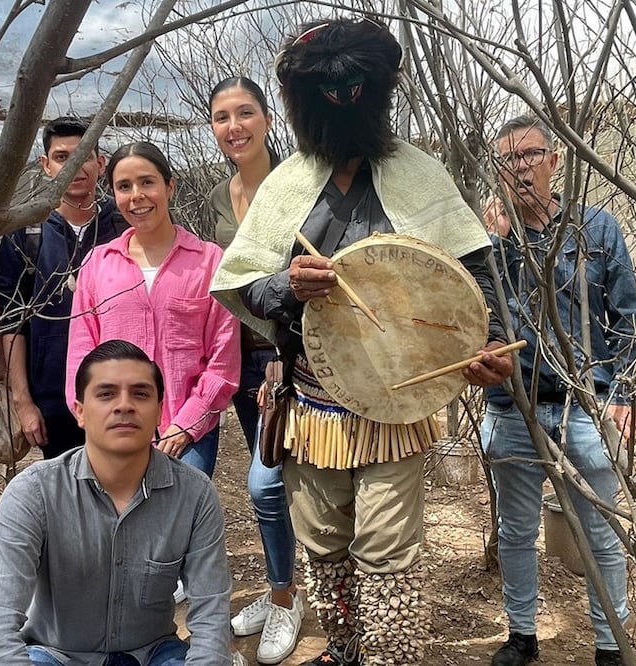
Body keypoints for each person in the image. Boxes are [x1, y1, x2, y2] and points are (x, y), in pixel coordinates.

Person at [210, 18, 514, 666]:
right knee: (323, 540)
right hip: (312, 403)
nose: (343, 100)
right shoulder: (288, 185)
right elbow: (244, 284)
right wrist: (289, 285)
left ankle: (390, 656)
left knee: (387, 547)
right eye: (330, 91)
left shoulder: (419, 173)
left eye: (355, 88)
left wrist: (488, 341)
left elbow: (474, 271)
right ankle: (346, 649)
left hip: (397, 403)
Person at [481, 114, 636, 666]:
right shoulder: (489, 243)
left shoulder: (596, 230)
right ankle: (522, 636)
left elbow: (627, 318)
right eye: (508, 159)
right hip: (514, 409)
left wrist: (623, 393)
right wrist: (497, 247)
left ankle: (610, 646)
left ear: (554, 161)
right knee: (516, 531)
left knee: (601, 531)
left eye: (530, 155)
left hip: (586, 406)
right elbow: (478, 320)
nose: (520, 168)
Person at [0, 340, 232, 665]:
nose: (124, 406)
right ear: (79, 411)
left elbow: (211, 618)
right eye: (106, 394)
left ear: (159, 410)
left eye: (140, 394)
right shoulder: (34, 493)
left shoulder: (194, 495)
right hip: (56, 655)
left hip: (151, 654)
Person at [65, 142, 239, 478]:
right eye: (124, 186)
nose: (137, 196)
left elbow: (222, 361)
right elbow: (80, 354)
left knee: (177, 511)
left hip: (185, 433)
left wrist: (187, 425)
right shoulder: (98, 265)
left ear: (170, 186)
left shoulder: (209, 262)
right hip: (114, 425)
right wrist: (91, 414)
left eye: (147, 182)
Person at [207, 76, 303, 665]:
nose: (234, 126)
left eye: (245, 112)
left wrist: (280, 356)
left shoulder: (298, 184)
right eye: (222, 117)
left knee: (267, 484)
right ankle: (281, 588)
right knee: (272, 483)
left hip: (289, 356)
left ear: (268, 119)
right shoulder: (220, 196)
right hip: (239, 356)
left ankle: (290, 599)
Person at [0, 116, 127, 459]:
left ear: (100, 163)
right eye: (62, 157)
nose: (74, 167)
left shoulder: (125, 225)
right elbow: (12, 321)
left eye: (83, 156)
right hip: (52, 401)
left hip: (123, 396)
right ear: (46, 165)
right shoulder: (27, 231)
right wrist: (23, 401)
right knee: (66, 486)